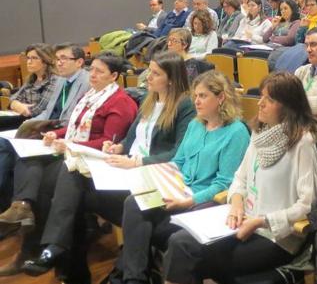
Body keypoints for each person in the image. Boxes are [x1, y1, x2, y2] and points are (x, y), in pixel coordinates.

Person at [21, 52, 195, 279]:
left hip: (151, 174)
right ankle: (57, 249)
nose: (147, 77)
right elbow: (131, 138)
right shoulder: (150, 101)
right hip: (126, 169)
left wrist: (136, 161)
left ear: (171, 79)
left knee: (74, 194)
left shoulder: (184, 106)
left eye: (155, 73)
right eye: (148, 71)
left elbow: (178, 153)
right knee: (73, 171)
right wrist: (119, 147)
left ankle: (65, 260)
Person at [162, 72, 317, 284]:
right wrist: (236, 203)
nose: (260, 103)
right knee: (179, 241)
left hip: (276, 236)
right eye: (261, 97)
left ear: (288, 107)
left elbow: (308, 204)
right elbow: (240, 178)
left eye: (270, 100)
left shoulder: (303, 142)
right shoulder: (260, 133)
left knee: (189, 254)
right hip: (243, 219)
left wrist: (261, 221)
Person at [0, 53, 137, 274]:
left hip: (96, 162)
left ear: (114, 76)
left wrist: (69, 142)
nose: (92, 75)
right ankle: (24, 215)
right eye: (92, 70)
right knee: (31, 166)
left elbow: (108, 141)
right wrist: (56, 134)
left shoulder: (121, 102)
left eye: (99, 72)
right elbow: (75, 125)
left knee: (48, 184)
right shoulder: (91, 95)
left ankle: (49, 253)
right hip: (75, 154)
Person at [112, 70, 250, 284]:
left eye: (203, 96)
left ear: (221, 97)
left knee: (142, 228)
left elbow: (225, 183)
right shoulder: (196, 124)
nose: (196, 101)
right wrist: (154, 178)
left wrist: (188, 200)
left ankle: (133, 274)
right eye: (195, 96)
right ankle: (134, 279)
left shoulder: (236, 132)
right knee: (134, 202)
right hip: (177, 190)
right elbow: (179, 161)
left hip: (204, 203)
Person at [0, 43, 90, 245]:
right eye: (57, 58)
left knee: (18, 151)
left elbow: (75, 120)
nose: (59, 62)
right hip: (48, 128)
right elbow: (46, 112)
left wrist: (44, 130)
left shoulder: (85, 81)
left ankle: (21, 207)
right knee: (9, 144)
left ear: (80, 62)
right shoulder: (61, 80)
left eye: (63, 58)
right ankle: (19, 207)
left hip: (63, 132)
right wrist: (28, 125)